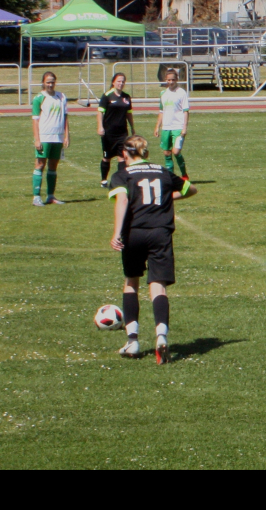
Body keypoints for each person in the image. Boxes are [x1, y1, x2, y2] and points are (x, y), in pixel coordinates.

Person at [109, 135, 197, 363]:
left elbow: (122, 201)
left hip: (134, 233)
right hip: (161, 233)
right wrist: (166, 198)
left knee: (131, 282)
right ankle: (161, 336)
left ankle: (133, 341)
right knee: (158, 286)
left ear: (126, 154)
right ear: (145, 153)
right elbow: (190, 189)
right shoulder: (162, 171)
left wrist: (117, 232)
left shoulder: (122, 174)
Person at [31, 71, 69, 206]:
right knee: (40, 165)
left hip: (57, 137)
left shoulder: (61, 97)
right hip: (44, 137)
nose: (50, 84)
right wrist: (37, 139)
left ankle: (51, 196)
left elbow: (65, 117)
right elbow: (35, 120)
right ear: (43, 83)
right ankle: (36, 197)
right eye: (48, 82)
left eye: (52, 82)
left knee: (53, 166)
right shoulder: (39, 98)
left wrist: (66, 135)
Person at [97, 72, 135, 189]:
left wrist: (132, 128)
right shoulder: (107, 96)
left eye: (123, 81)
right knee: (107, 157)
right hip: (109, 133)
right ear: (113, 82)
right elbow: (100, 112)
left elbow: (129, 114)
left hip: (122, 133)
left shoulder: (126, 97)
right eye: (119, 81)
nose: (121, 83)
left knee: (122, 157)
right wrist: (100, 127)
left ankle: (121, 180)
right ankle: (104, 180)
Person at [153, 69, 190, 180]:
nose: (171, 82)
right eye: (169, 80)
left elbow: (186, 111)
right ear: (166, 80)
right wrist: (157, 127)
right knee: (167, 153)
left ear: (177, 79)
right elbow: (161, 111)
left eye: (173, 80)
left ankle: (184, 175)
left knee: (176, 151)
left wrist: (184, 127)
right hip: (166, 127)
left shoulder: (181, 93)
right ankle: (171, 177)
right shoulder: (163, 94)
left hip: (178, 127)